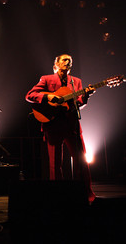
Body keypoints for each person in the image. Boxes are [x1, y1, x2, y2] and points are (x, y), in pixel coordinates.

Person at [25, 54, 96, 203]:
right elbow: (30, 95)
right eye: (64, 59)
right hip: (53, 125)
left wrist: (86, 95)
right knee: (55, 164)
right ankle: (57, 196)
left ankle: (86, 194)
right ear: (56, 63)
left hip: (72, 125)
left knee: (81, 161)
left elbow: (78, 103)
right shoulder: (46, 79)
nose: (67, 62)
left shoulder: (75, 81)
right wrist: (49, 97)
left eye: (69, 60)